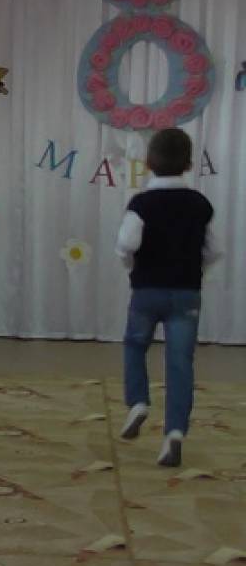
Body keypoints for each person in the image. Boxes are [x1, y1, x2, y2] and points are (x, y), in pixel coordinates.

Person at [115, 128, 220, 467]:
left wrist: (132, 266)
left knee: (135, 345)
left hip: (147, 291)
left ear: (148, 162)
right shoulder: (199, 204)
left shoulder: (141, 203)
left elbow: (126, 244)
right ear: (188, 164)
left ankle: (138, 402)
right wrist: (196, 270)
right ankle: (174, 433)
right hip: (186, 293)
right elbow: (214, 250)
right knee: (180, 362)